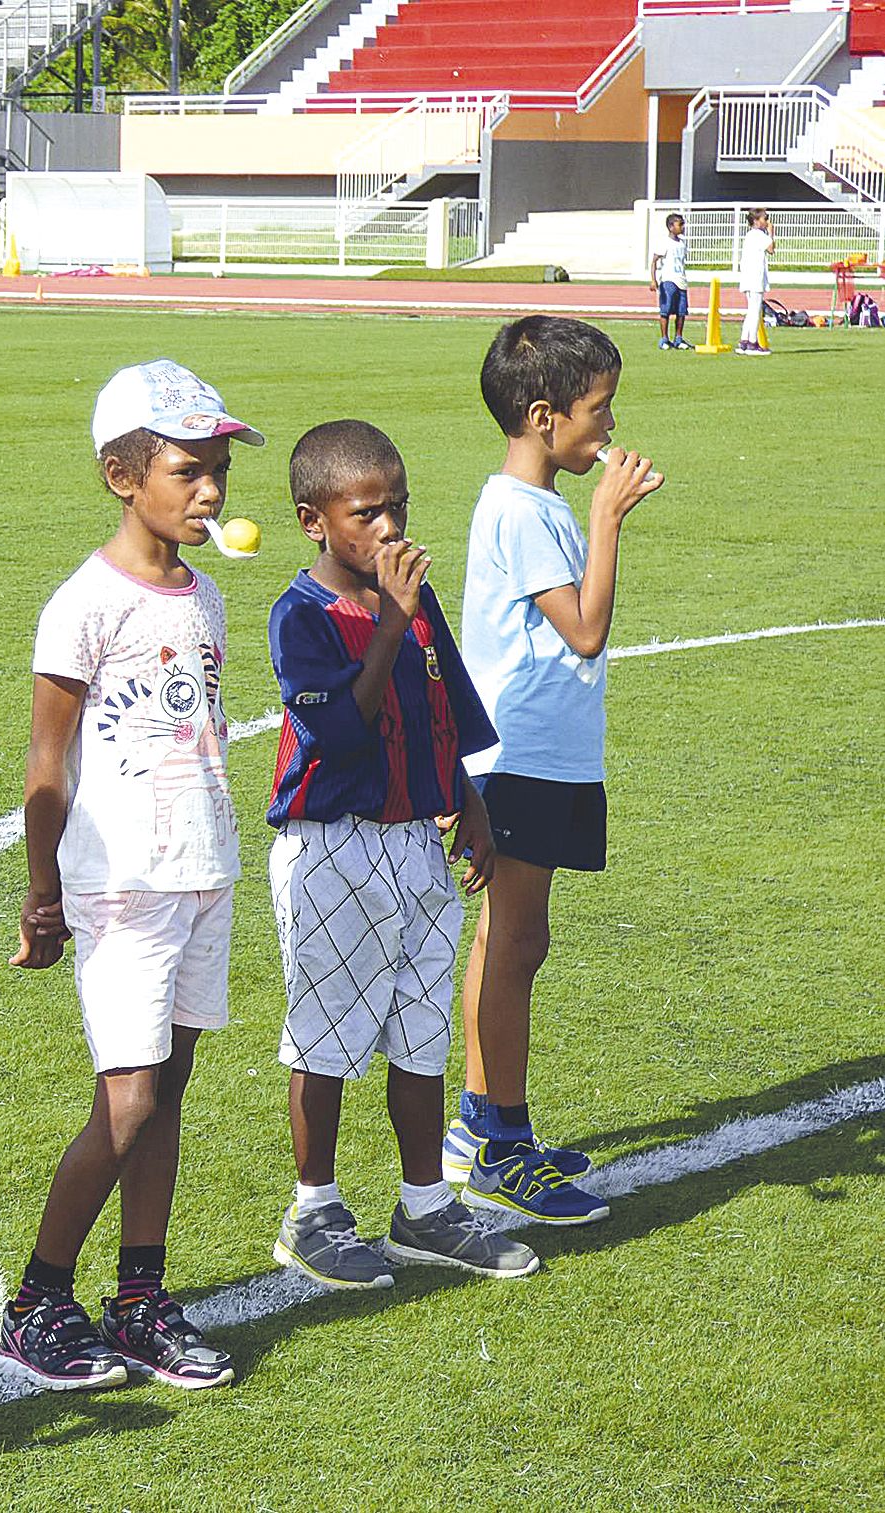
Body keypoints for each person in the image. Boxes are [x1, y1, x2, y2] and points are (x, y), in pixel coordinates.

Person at [0, 359, 255, 1393]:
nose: (210, 490)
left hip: (202, 869)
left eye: (218, 470)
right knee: (129, 1099)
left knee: (167, 1092)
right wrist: (42, 893)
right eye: (188, 470)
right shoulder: (84, 604)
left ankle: (139, 1298)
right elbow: (45, 763)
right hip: (121, 882)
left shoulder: (207, 598)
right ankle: (36, 1300)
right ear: (121, 475)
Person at [264, 420, 539, 1289]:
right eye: (365, 513)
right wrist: (389, 619)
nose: (388, 528)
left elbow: (439, 706)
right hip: (334, 847)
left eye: (398, 506)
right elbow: (341, 734)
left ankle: (424, 1206)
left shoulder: (415, 602)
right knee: (326, 1037)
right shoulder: (301, 616)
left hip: (417, 841)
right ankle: (312, 1210)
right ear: (312, 521)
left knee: (420, 1030)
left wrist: (468, 800)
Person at [444, 318, 665, 1223]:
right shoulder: (523, 510)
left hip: (540, 753)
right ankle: (503, 1145)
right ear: (543, 417)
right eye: (598, 409)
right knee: (516, 944)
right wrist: (608, 517)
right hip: (522, 755)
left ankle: (476, 1123)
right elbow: (584, 628)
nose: (608, 427)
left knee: (503, 940)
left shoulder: (527, 504)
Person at [650, 211, 691, 351]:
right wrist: (653, 280)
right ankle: (664, 339)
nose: (683, 227)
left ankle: (678, 338)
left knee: (681, 311)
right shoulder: (664, 243)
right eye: (680, 224)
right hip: (668, 280)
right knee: (666, 310)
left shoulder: (682, 243)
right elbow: (654, 261)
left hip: (681, 280)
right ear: (671, 227)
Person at [738, 209, 775, 356]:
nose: (767, 222)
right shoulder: (759, 235)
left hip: (748, 276)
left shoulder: (749, 235)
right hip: (755, 277)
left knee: (751, 310)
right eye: (764, 219)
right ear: (756, 221)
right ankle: (752, 343)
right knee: (755, 311)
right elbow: (771, 249)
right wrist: (771, 233)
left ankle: (744, 341)